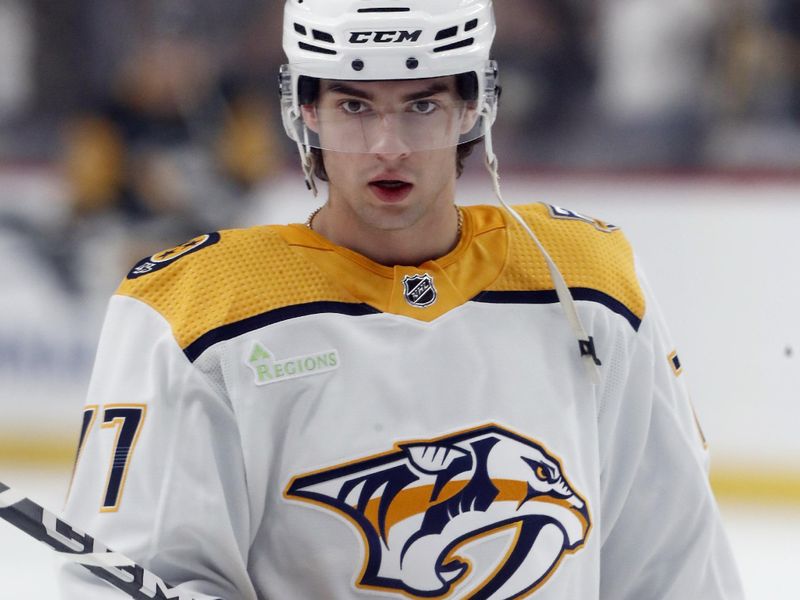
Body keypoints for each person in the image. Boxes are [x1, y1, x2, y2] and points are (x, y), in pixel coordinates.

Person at [58, 1, 745, 598]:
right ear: (306, 114)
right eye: (355, 106)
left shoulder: (587, 283)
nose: (389, 147)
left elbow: (674, 566)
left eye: (422, 105)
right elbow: (128, 572)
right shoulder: (199, 312)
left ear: (476, 107)